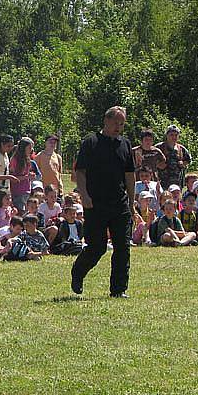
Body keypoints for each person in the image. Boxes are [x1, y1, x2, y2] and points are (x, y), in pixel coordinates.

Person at [71, 106, 136, 298]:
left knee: (122, 246)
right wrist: (84, 195)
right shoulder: (91, 142)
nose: (119, 127)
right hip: (95, 204)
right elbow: (80, 172)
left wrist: (131, 202)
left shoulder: (125, 144)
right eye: (116, 123)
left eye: (122, 124)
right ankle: (78, 272)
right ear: (106, 121)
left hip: (120, 204)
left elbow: (130, 175)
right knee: (97, 247)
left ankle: (118, 289)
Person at [155, 125, 192, 191]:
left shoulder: (181, 149)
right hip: (162, 182)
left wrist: (183, 163)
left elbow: (188, 160)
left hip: (177, 182)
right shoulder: (159, 147)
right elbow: (151, 160)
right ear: (166, 135)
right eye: (171, 135)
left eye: (176, 135)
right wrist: (158, 165)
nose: (174, 137)